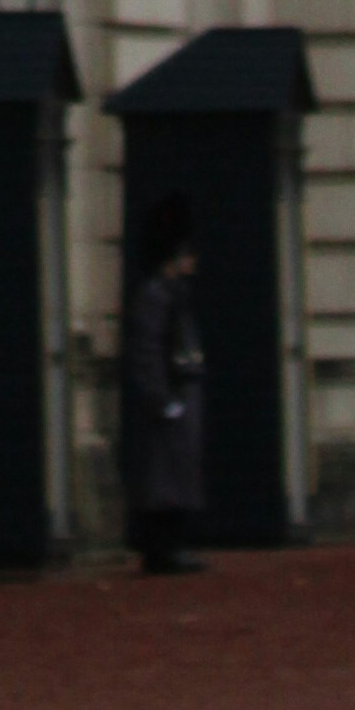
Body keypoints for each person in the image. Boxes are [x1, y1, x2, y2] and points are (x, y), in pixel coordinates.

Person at [124, 191, 207, 575]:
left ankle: (171, 545)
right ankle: (162, 548)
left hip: (181, 390)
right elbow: (148, 350)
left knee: (177, 475)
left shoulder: (173, 293)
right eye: (186, 253)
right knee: (164, 478)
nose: (192, 260)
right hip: (169, 394)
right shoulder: (156, 294)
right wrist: (162, 398)